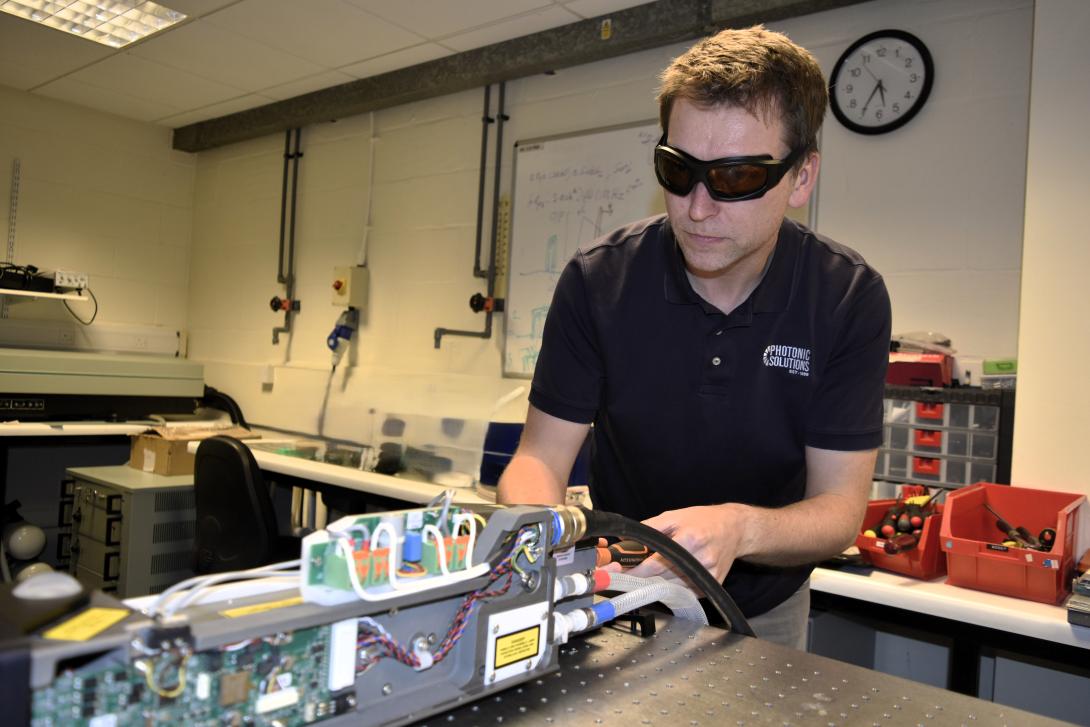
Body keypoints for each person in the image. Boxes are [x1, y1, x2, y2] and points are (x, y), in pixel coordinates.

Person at [497, 25, 891, 649]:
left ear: (801, 177)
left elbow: (840, 511)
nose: (697, 208)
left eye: (736, 178)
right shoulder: (600, 279)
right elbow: (538, 459)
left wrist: (739, 529)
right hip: (620, 588)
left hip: (764, 607)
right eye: (677, 171)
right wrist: (546, 546)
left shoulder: (846, 296)